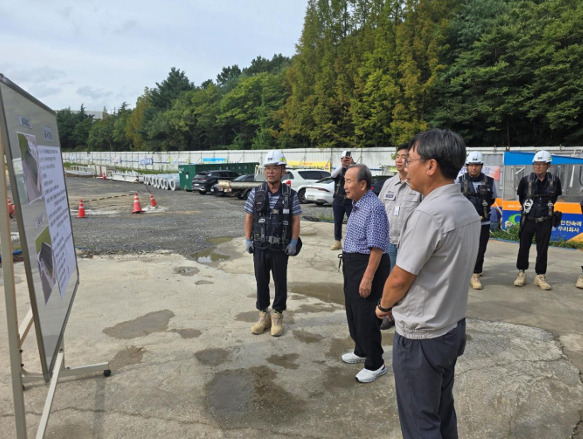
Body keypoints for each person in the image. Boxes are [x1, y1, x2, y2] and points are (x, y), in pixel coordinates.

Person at [375, 129, 480, 439]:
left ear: (431, 166)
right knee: (441, 411)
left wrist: (382, 307)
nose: (407, 166)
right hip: (451, 327)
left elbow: (399, 279)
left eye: (413, 160)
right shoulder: (465, 208)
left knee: (421, 422)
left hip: (422, 336)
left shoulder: (428, 214)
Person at [340, 164, 391, 383]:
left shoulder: (374, 207)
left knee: (367, 315)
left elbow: (377, 247)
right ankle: (361, 350)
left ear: (363, 184)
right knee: (353, 311)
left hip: (368, 265)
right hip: (353, 264)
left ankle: (375, 363)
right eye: (345, 181)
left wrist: (367, 278)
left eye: (349, 181)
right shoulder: (357, 204)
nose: (345, 186)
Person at [244, 150, 301, 337]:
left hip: (280, 248)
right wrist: (247, 239)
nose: (270, 172)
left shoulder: (291, 195)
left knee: (280, 282)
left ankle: (277, 314)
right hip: (259, 246)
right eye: (267, 168)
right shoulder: (255, 192)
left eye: (275, 168)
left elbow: (295, 220)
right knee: (261, 281)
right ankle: (263, 315)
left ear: (283, 171)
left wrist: (293, 242)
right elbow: (249, 216)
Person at [377, 142, 422, 329]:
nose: (399, 160)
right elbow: (379, 211)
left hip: (408, 243)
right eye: (397, 156)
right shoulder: (389, 183)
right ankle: (388, 312)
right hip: (388, 241)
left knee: (405, 281)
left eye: (404, 156)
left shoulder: (418, 186)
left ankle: (401, 313)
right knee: (388, 278)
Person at [514, 150, 562, 290]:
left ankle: (540, 276)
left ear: (548, 165)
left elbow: (554, 199)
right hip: (528, 219)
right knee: (523, 247)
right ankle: (521, 272)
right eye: (536, 164)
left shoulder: (555, 181)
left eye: (542, 164)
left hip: (545, 220)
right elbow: (521, 199)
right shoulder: (525, 180)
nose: (538, 166)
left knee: (543, 249)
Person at [457, 151, 497, 290]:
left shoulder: (490, 181)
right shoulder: (459, 181)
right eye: (471, 165)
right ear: (467, 166)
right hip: (464, 223)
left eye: (477, 165)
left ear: (481, 166)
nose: (474, 168)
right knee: (463, 249)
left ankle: (475, 273)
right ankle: (463, 272)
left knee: (480, 249)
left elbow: (492, 199)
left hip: (483, 222)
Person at [330, 151, 355, 250]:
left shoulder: (354, 170)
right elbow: (332, 175)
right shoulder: (339, 170)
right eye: (344, 158)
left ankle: (352, 241)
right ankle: (337, 241)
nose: (345, 160)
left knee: (353, 221)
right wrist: (342, 165)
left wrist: (352, 164)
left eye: (347, 159)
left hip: (350, 200)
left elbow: (359, 174)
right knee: (337, 221)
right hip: (338, 199)